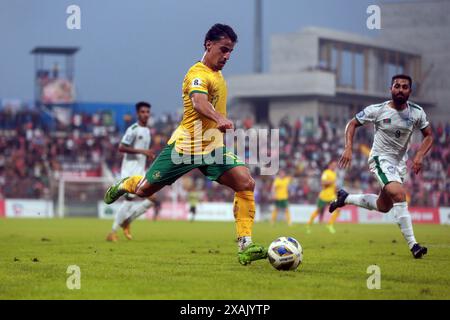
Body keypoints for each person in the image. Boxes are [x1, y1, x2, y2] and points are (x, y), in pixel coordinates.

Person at [104, 24, 267, 265]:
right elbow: (199, 102)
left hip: (212, 148)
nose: (227, 56)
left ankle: (245, 245)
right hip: (184, 148)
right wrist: (220, 118)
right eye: (223, 50)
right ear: (208, 45)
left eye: (231, 51)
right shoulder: (197, 74)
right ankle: (125, 184)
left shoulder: (218, 75)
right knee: (143, 191)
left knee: (246, 183)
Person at [329, 74, 433, 259]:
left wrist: (419, 154)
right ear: (391, 89)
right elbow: (352, 124)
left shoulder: (417, 112)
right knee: (399, 194)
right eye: (397, 86)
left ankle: (345, 198)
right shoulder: (377, 110)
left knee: (384, 206)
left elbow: (429, 136)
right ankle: (414, 245)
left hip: (400, 164)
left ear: (410, 91)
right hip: (380, 159)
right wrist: (348, 147)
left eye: (404, 87)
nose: (400, 89)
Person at [106, 101, 156, 242]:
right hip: (129, 171)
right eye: (143, 112)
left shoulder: (147, 131)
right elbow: (121, 147)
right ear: (137, 113)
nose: (145, 114)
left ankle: (126, 221)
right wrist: (143, 151)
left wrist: (148, 156)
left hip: (140, 171)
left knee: (152, 199)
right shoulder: (133, 129)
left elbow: (143, 153)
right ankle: (113, 231)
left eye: (147, 112)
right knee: (129, 201)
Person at [306, 160, 340, 234]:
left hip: (332, 196)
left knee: (338, 209)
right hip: (324, 196)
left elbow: (333, 186)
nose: (334, 166)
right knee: (318, 211)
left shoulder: (334, 173)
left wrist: (336, 192)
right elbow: (323, 183)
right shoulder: (326, 172)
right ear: (330, 165)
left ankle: (330, 224)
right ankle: (309, 224)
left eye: (335, 165)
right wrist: (330, 182)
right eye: (333, 165)